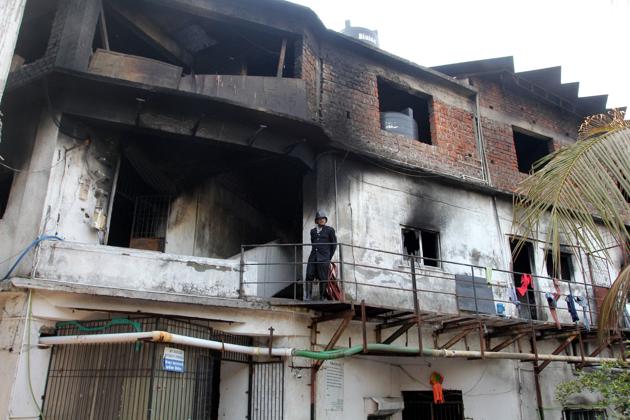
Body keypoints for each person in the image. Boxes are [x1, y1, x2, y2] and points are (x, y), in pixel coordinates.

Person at [305, 210, 337, 300]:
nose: (322, 220)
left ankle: (322, 297)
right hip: (313, 257)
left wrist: (328, 257)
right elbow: (313, 243)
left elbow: (334, 245)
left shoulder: (330, 230)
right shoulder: (313, 231)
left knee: (323, 277)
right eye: (320, 218)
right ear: (317, 220)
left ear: (325, 220)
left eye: (323, 218)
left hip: (324, 258)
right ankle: (308, 296)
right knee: (309, 275)